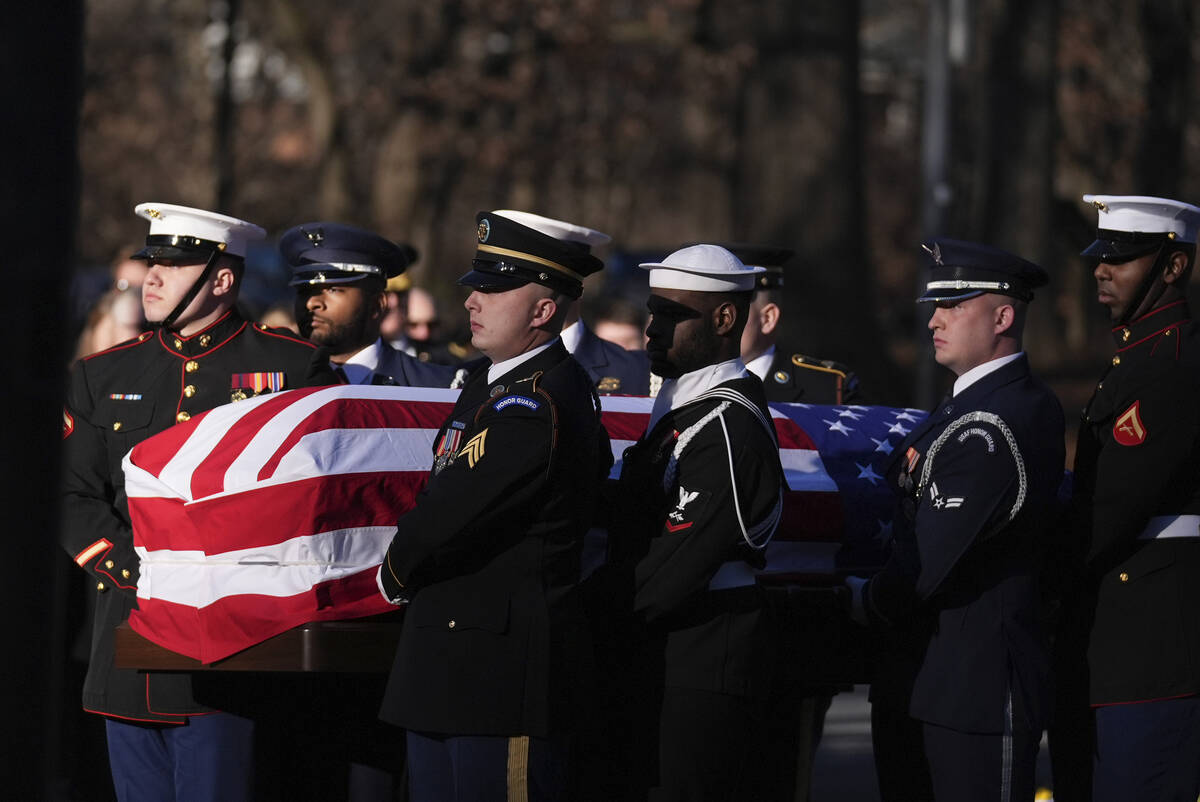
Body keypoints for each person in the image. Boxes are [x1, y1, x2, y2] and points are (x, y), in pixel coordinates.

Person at [61, 203, 338, 802]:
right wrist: (141, 570)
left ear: (221, 279)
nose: (151, 277)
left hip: (236, 658)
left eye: (174, 265)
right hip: (128, 643)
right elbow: (72, 493)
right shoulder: (101, 375)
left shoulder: (291, 367)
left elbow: (317, 494)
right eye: (150, 263)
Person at [375, 210, 612, 801]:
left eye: (497, 286)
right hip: (450, 665)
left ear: (543, 310)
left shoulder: (539, 402)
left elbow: (451, 513)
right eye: (477, 284)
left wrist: (393, 569)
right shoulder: (490, 383)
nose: (475, 298)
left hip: (498, 677)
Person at [846, 239, 1064, 801]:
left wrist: (857, 601)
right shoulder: (963, 408)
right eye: (934, 306)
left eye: (954, 304)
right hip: (920, 680)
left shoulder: (998, 419)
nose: (934, 319)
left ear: (1003, 316)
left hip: (974, 690)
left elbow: (928, 561)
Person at [589, 244, 786, 800]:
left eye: (674, 315)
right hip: (667, 648)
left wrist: (584, 610)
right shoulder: (687, 404)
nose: (653, 328)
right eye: (654, 312)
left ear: (725, 318)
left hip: (700, 653)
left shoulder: (728, 424)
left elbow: (676, 563)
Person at [1065, 195, 1200, 801]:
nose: (1102, 269)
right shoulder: (1137, 357)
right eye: (1101, 256)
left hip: (1154, 643)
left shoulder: (1174, 363)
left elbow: (1111, 508)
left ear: (1174, 268)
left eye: (1124, 258)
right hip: (1118, 637)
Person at [486, 210, 650, 395]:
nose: (473, 302)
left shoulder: (640, 373)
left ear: (570, 289)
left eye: (506, 288)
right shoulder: (468, 374)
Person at [282, 221, 457, 388]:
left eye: (333, 290)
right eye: (303, 291)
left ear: (377, 304)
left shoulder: (431, 387)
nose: (312, 303)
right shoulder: (279, 383)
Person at [733, 243, 862, 404]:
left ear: (768, 319)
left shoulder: (827, 389)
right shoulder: (694, 383)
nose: (720, 322)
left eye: (731, 312)